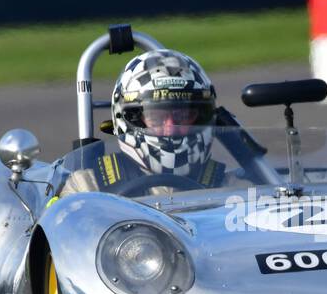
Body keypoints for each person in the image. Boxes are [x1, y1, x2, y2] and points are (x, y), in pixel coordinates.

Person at [60, 49, 228, 196]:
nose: (170, 128)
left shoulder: (229, 186)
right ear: (128, 118)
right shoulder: (88, 188)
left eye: (182, 116)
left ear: (202, 117)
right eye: (156, 118)